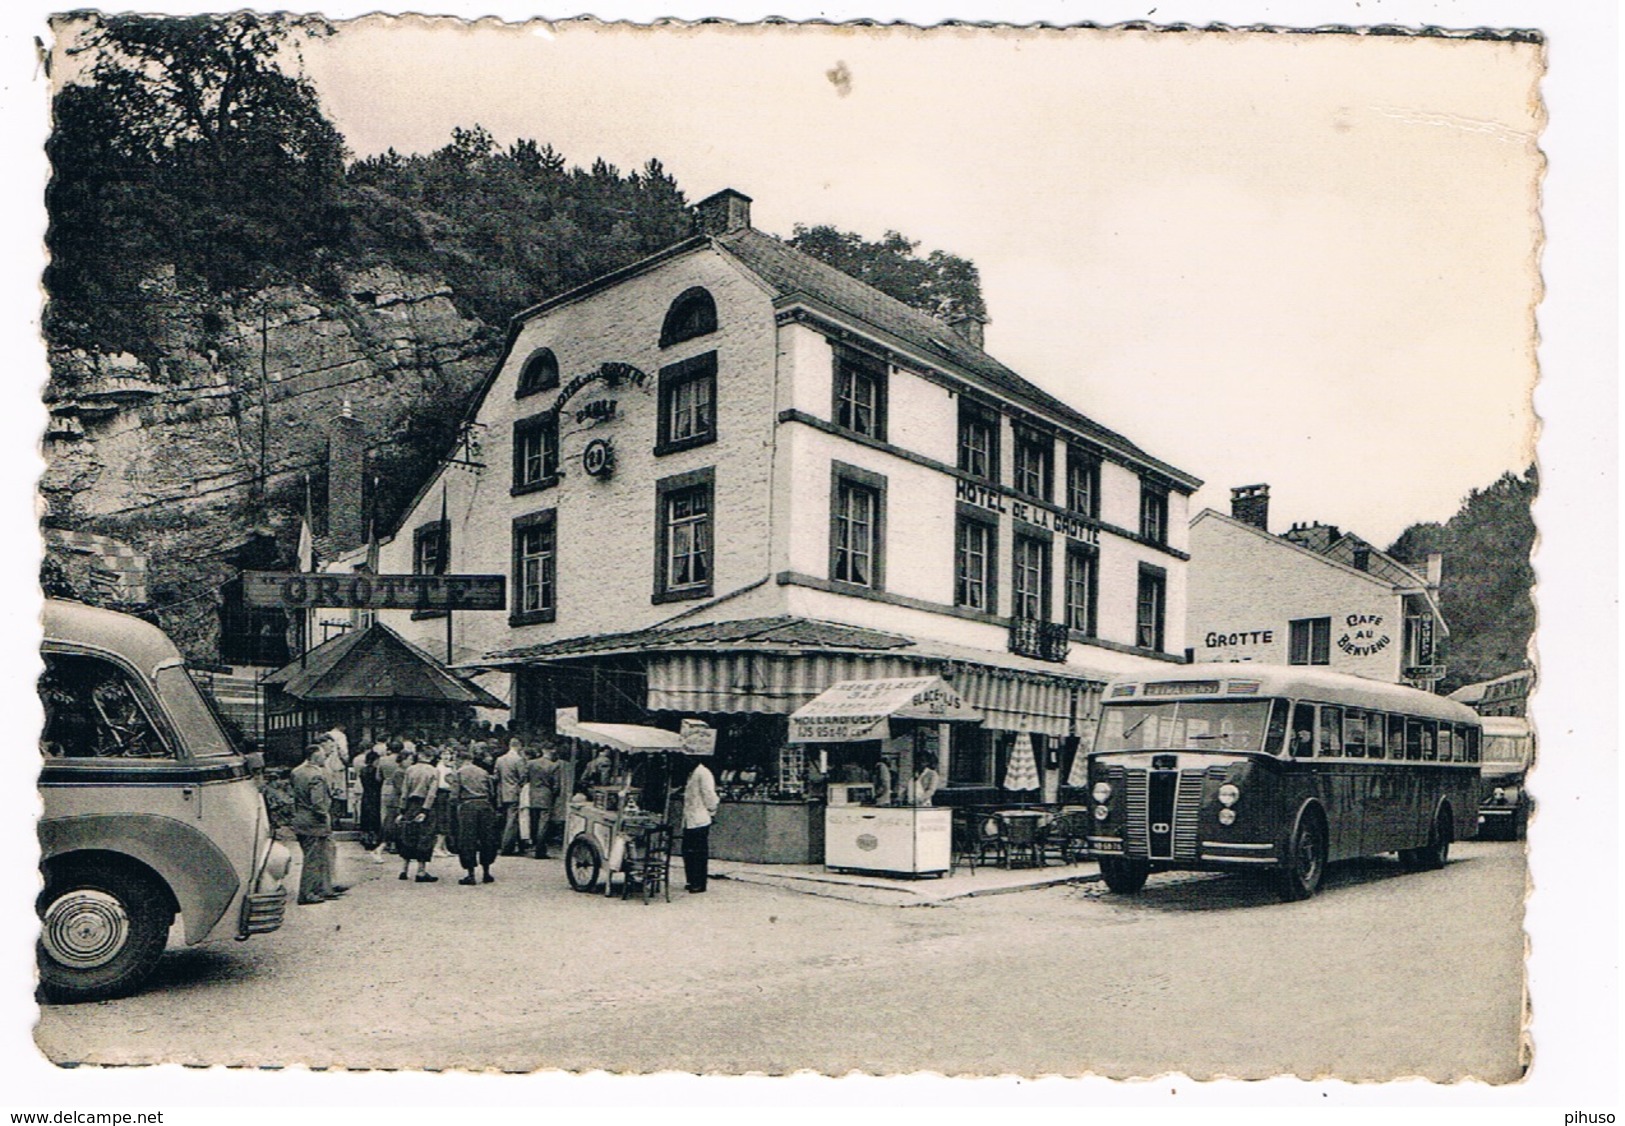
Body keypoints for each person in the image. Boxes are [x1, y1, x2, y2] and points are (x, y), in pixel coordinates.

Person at [290, 742, 347, 904]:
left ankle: (320, 889)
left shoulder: (297, 772)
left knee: (314, 857)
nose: (325, 757)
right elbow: (318, 802)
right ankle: (307, 893)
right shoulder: (316, 776)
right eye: (323, 755)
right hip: (314, 822)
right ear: (316, 756)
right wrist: (324, 815)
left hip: (300, 818)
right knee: (313, 859)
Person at [454, 747, 501, 884]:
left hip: (467, 806)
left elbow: (454, 794)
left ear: (460, 760)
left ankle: (471, 874)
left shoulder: (459, 773)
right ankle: (486, 872)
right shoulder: (484, 772)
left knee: (467, 840)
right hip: (485, 805)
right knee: (487, 838)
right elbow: (491, 792)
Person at [396, 749, 440, 883]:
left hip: (410, 804)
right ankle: (421, 871)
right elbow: (432, 793)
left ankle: (404, 869)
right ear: (431, 757)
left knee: (408, 835)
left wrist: (402, 811)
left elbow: (404, 791)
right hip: (425, 805)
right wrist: (425, 811)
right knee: (425, 837)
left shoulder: (410, 770)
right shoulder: (433, 771)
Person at [681, 754, 720, 894]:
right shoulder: (692, 774)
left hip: (700, 818)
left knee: (698, 853)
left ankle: (699, 883)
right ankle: (691, 879)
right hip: (690, 818)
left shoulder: (703, 773)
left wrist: (712, 810)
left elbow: (709, 795)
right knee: (688, 851)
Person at [524, 745, 561, 859]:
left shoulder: (531, 763)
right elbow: (556, 786)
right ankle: (540, 850)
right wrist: (554, 795)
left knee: (534, 823)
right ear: (550, 751)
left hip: (533, 794)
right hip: (546, 795)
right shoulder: (554, 766)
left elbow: (525, 778)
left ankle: (534, 845)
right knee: (543, 824)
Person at [495, 738, 528, 856]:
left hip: (503, 792)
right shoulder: (518, 760)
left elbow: (496, 776)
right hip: (514, 792)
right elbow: (523, 776)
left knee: (506, 819)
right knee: (512, 821)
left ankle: (517, 845)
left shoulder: (500, 759)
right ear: (519, 746)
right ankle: (506, 847)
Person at [378, 739, 404, 853]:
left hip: (386, 787)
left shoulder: (383, 760)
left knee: (385, 816)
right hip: (400, 788)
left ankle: (386, 841)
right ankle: (396, 842)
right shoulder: (403, 761)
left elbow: (378, 777)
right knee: (398, 815)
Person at [358, 747, 384, 855]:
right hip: (375, 795)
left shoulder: (363, 770)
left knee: (366, 817)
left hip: (366, 794)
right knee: (374, 817)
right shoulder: (375, 771)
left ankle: (366, 838)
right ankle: (373, 839)